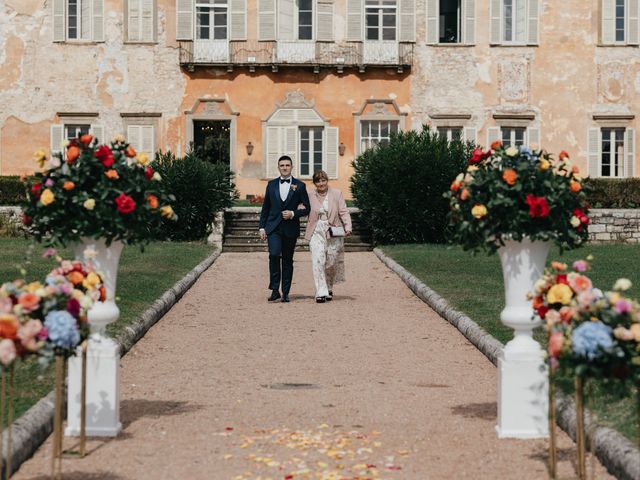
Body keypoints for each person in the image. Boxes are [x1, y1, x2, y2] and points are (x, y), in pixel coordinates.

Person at [259, 155, 310, 303]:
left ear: (292, 167)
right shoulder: (271, 185)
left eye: (287, 165)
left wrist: (294, 213)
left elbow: (307, 208)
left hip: (290, 228)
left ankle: (286, 292)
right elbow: (266, 207)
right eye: (282, 165)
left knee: (287, 260)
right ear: (278, 167)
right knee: (274, 255)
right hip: (273, 227)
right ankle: (275, 289)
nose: (285, 168)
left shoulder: (300, 186)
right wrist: (262, 227)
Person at [304, 170, 352, 303]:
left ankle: (329, 286)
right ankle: (321, 292)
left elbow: (343, 212)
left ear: (327, 181)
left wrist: (348, 227)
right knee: (318, 260)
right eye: (318, 181)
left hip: (333, 230)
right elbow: (301, 209)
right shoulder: (309, 195)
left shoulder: (336, 194)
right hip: (316, 230)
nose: (321, 183)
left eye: (323, 180)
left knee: (331, 261)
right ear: (315, 183)